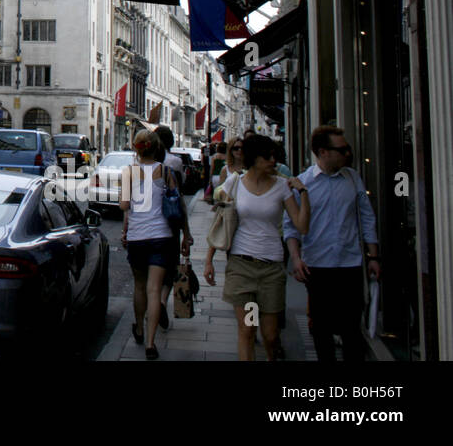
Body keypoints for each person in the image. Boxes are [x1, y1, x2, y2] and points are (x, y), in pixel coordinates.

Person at [204, 133, 310, 361]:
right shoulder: (235, 182)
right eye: (267, 156)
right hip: (242, 268)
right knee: (248, 330)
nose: (273, 161)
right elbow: (221, 221)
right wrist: (209, 260)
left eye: (274, 156)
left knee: (271, 336)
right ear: (254, 159)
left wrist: (303, 193)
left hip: (271, 269)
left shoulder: (282, 186)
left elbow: (301, 226)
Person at [285, 126, 379, 362]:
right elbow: (291, 226)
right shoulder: (303, 184)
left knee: (351, 327)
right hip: (318, 265)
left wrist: (373, 256)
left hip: (351, 263)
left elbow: (366, 217)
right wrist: (296, 259)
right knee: (321, 327)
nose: (347, 153)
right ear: (323, 152)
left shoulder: (352, 178)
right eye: (341, 149)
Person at [120, 128, 189, 359]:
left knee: (140, 286)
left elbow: (124, 206)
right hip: (160, 236)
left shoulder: (129, 172)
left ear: (136, 148)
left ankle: (139, 327)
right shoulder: (164, 171)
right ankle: (150, 343)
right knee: (154, 290)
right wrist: (186, 234)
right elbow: (178, 204)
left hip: (137, 238)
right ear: (155, 147)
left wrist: (125, 229)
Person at [156, 125, 186, 329]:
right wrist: (188, 231)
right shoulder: (175, 162)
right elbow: (179, 196)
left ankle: (151, 305)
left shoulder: (140, 162)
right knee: (170, 264)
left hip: (148, 222)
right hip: (171, 220)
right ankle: (162, 302)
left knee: (152, 268)